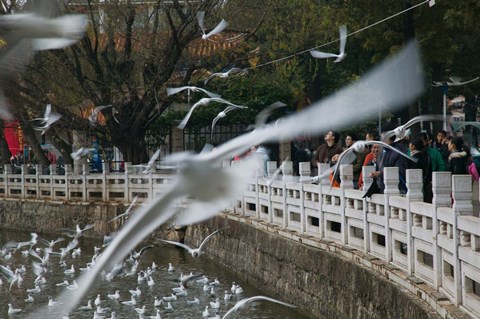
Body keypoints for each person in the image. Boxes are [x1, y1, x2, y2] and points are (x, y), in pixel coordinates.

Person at [371, 123, 409, 193]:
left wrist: (381, 174)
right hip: (383, 191)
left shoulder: (398, 152)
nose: (381, 136)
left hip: (394, 193)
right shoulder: (383, 151)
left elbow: (400, 173)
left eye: (382, 134)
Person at [409, 135, 433, 203]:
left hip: (417, 188)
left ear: (413, 146)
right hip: (427, 185)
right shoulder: (427, 156)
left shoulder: (413, 158)